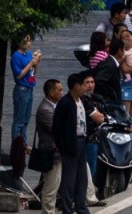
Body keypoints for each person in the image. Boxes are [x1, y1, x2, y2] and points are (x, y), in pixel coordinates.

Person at [53, 72, 104, 214]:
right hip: (71, 143)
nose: (85, 87)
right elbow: (56, 127)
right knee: (69, 179)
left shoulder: (82, 101)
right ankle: (67, 208)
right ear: (76, 86)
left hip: (82, 141)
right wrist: (63, 145)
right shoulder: (65, 103)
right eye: (83, 84)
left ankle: (81, 206)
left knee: (82, 177)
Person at [35, 79, 64, 214]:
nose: (61, 93)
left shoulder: (54, 106)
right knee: (51, 185)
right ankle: (48, 211)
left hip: (57, 152)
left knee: (55, 183)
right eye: (59, 90)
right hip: (50, 153)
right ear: (51, 93)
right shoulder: (45, 110)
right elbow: (57, 129)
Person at [9, 35, 41, 146]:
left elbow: (32, 73)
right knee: (19, 120)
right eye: (26, 41)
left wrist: (36, 63)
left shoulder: (28, 54)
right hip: (21, 89)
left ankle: (23, 143)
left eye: (30, 40)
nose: (29, 43)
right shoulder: (16, 56)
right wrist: (31, 63)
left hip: (30, 87)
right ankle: (16, 145)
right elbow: (19, 75)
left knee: (26, 119)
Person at [91, 38, 125, 106]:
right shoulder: (110, 65)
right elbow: (99, 80)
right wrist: (109, 94)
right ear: (119, 51)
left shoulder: (109, 62)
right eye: (123, 49)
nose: (124, 51)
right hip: (109, 103)